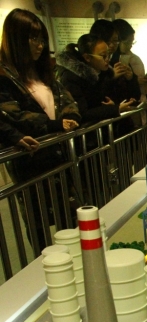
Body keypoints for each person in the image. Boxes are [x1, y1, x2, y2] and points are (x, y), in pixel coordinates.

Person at [0, 8, 81, 250]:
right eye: (33, 38)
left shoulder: (43, 72)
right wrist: (54, 125)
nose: (39, 45)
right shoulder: (4, 75)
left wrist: (70, 117)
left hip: (58, 156)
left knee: (70, 219)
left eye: (42, 39)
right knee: (39, 225)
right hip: (30, 161)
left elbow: (67, 99)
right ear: (16, 39)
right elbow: (12, 114)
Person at [56, 34, 135, 124]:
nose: (108, 59)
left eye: (109, 54)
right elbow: (82, 112)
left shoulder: (103, 72)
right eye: (103, 56)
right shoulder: (71, 77)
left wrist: (130, 80)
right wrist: (115, 109)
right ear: (87, 57)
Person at [112, 18, 147, 102]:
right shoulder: (110, 59)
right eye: (128, 42)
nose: (130, 46)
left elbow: (135, 93)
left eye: (132, 42)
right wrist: (112, 77)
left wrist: (132, 79)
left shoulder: (131, 58)